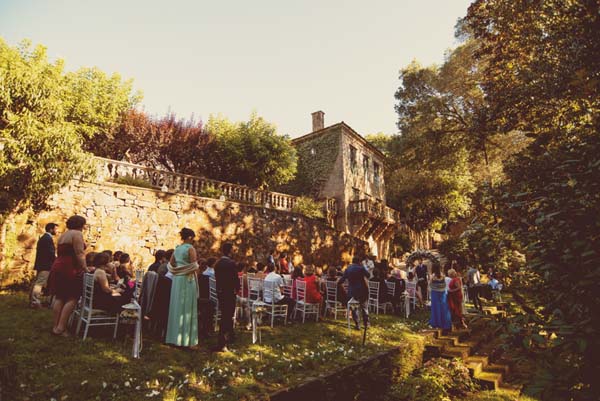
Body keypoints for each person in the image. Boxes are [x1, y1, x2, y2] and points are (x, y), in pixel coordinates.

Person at [48, 215, 88, 336]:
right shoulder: (77, 234)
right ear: (80, 224)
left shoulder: (63, 235)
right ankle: (61, 328)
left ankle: (56, 327)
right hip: (69, 268)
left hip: (58, 266)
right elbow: (79, 253)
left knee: (60, 297)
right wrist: (85, 268)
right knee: (72, 297)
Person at [165, 228, 199, 348]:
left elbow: (172, 264)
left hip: (177, 280)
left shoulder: (177, 249)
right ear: (190, 237)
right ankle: (186, 340)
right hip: (187, 279)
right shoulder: (190, 248)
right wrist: (188, 269)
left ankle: (174, 337)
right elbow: (194, 265)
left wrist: (179, 269)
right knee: (187, 307)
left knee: (176, 306)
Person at [213, 242, 240, 352]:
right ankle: (222, 341)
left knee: (225, 314)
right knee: (227, 316)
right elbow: (235, 279)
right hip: (229, 292)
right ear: (229, 251)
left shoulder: (218, 263)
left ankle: (231, 335)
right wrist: (236, 289)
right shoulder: (231, 263)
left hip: (221, 292)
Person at [30, 222, 58, 308]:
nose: (57, 231)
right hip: (45, 265)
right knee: (39, 283)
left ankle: (32, 300)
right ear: (51, 229)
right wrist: (56, 260)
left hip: (41, 264)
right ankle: (35, 302)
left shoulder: (44, 238)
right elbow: (50, 253)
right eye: (55, 229)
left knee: (37, 282)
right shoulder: (47, 239)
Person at [338, 256, 370, 330]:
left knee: (354, 308)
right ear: (359, 262)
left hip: (352, 291)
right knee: (364, 307)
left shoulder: (348, 268)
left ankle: (357, 324)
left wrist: (338, 282)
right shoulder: (361, 268)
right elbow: (368, 275)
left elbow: (342, 279)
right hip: (362, 291)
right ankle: (366, 324)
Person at [429, 264, 452, 333]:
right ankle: (446, 323)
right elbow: (444, 284)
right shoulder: (443, 275)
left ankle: (437, 322)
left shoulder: (433, 276)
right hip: (442, 293)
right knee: (443, 308)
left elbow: (430, 284)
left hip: (435, 293)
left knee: (436, 308)